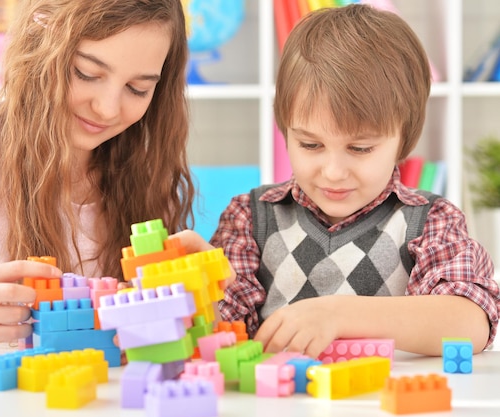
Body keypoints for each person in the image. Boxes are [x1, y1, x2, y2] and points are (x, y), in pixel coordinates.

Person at [0, 0, 223, 355]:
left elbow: (147, 341)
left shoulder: (140, 167)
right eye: (87, 73)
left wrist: (190, 296)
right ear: (43, 33)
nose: (107, 108)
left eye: (137, 89)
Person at [212, 4, 500, 358]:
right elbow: (221, 329)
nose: (333, 171)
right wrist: (200, 282)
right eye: (310, 144)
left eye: (360, 147)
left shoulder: (429, 222)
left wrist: (338, 313)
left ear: (403, 139)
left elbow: (471, 322)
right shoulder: (250, 218)